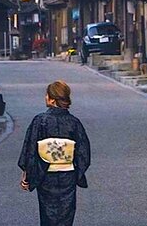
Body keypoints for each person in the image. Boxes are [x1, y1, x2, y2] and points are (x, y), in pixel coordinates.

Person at [18, 80, 91, 226]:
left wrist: (28, 174)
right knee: (66, 215)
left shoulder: (40, 121)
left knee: (48, 215)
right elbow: (84, 153)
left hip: (45, 175)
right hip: (67, 176)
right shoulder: (74, 123)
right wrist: (76, 172)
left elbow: (30, 149)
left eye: (47, 95)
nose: (45, 98)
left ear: (52, 99)